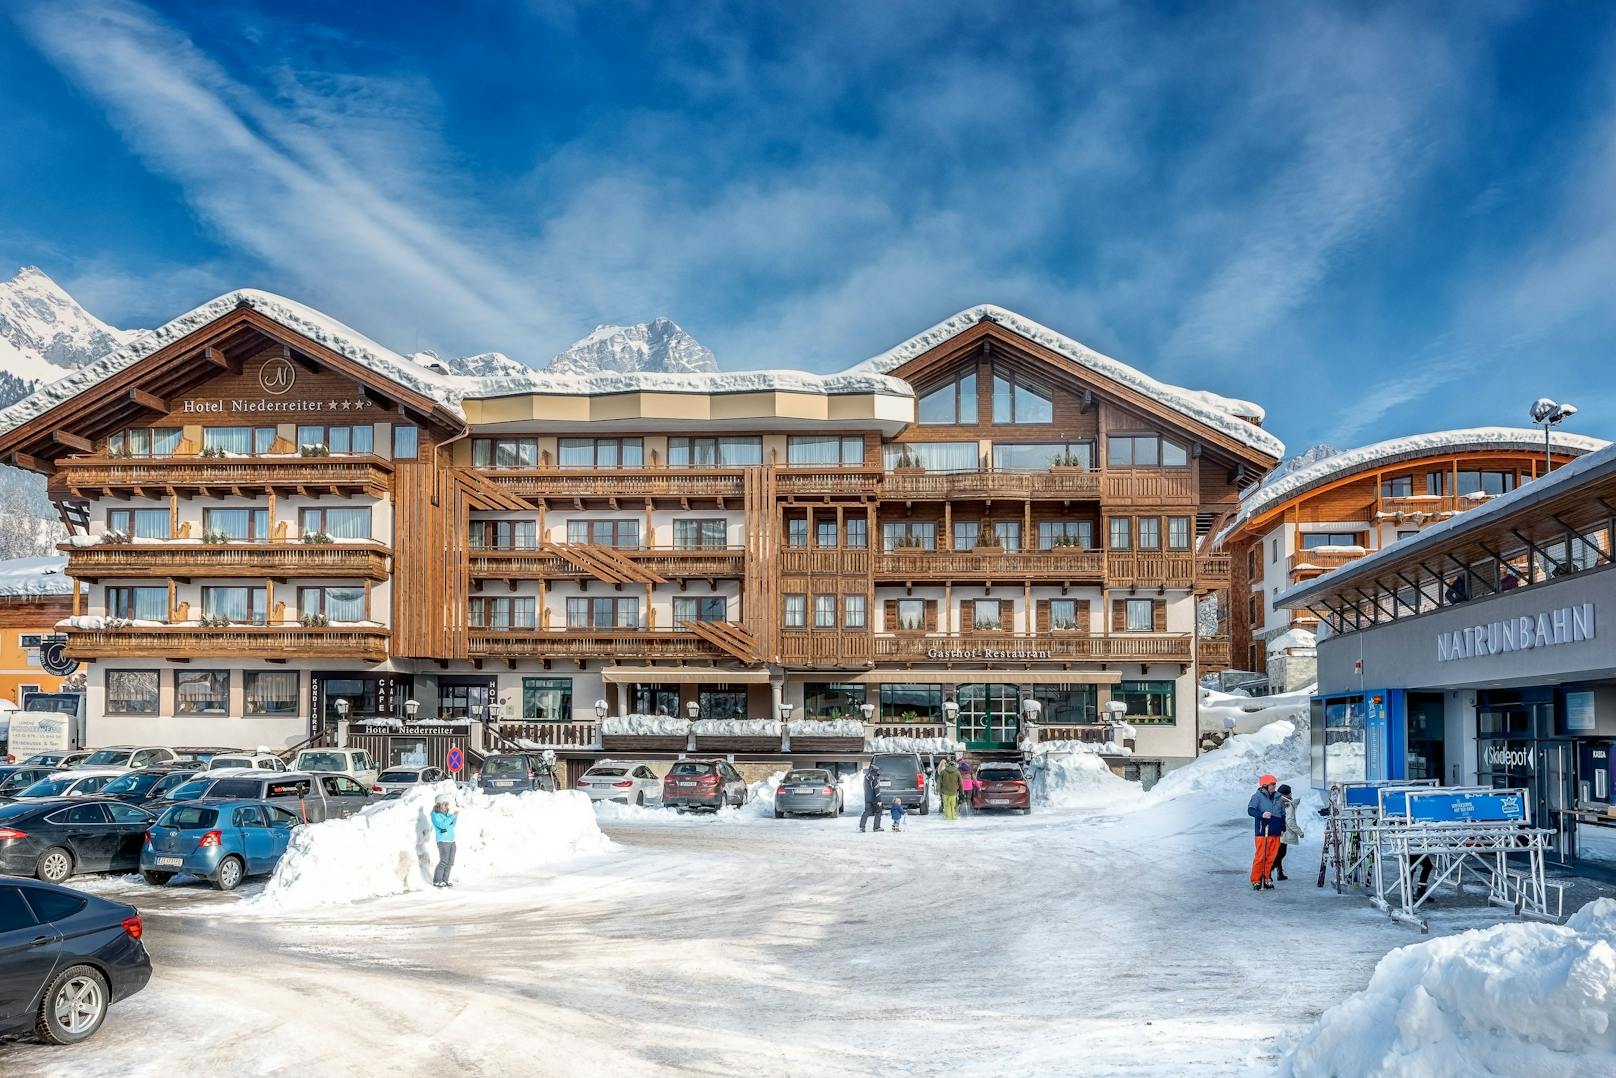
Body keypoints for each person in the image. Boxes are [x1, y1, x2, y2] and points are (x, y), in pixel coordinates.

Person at [1247, 774, 1285, 892]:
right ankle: (1256, 879)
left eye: (1275, 784)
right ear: (1265, 785)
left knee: (1271, 857)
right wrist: (1262, 815)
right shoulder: (1257, 797)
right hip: (1263, 831)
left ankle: (1267, 877)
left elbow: (1283, 814)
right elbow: (1250, 810)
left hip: (1275, 831)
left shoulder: (1279, 797)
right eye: (1272, 784)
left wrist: (1283, 828)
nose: (1274, 786)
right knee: (1261, 856)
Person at [1273, 783, 1303, 881]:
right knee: (1280, 854)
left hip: (1277, 832)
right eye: (1289, 793)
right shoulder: (1287, 805)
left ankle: (1279, 873)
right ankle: (1267, 872)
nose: (1291, 795)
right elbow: (1290, 821)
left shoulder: (1276, 802)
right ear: (1287, 795)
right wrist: (1299, 832)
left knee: (1279, 854)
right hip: (1283, 834)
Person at [431, 797, 458, 888]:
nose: (446, 806)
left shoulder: (447, 814)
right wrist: (452, 817)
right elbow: (443, 825)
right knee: (444, 861)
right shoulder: (435, 815)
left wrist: (455, 817)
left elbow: (452, 825)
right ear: (439, 804)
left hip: (451, 840)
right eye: (444, 804)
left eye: (447, 804)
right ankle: (437, 880)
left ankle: (445, 880)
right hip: (443, 840)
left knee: (450, 862)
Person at [858, 761, 884, 832]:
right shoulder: (875, 778)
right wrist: (879, 800)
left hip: (867, 797)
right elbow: (876, 789)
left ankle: (862, 827)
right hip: (875, 798)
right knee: (878, 811)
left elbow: (865, 787)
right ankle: (876, 827)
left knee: (867, 811)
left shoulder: (866, 777)